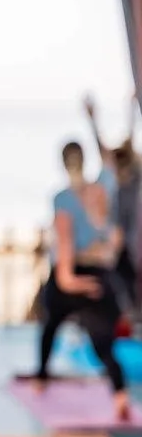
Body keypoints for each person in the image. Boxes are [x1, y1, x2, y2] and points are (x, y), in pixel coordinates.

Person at [34, 141, 129, 420]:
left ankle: (42, 377)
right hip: (98, 275)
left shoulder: (63, 198)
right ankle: (120, 393)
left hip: (74, 275)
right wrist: (93, 119)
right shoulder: (100, 187)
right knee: (103, 343)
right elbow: (109, 162)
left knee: (50, 326)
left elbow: (65, 242)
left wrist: (69, 280)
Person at [84, 95, 140, 308]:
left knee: (128, 278)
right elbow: (102, 146)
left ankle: (130, 313)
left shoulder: (133, 171)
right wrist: (93, 119)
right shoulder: (116, 172)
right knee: (114, 276)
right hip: (118, 234)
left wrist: (132, 110)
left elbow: (131, 136)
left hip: (129, 236)